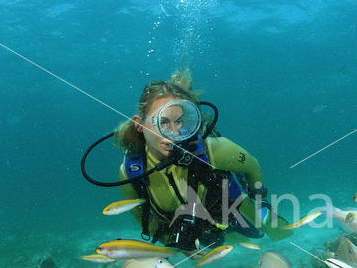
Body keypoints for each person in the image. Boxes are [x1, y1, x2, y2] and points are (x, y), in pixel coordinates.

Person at [112, 70, 290, 255]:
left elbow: (251, 164)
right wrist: (176, 244)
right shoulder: (131, 171)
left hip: (235, 214)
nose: (173, 132)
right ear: (139, 124)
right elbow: (144, 219)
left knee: (258, 232)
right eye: (162, 122)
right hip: (197, 233)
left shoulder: (211, 149)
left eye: (179, 121)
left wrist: (259, 198)